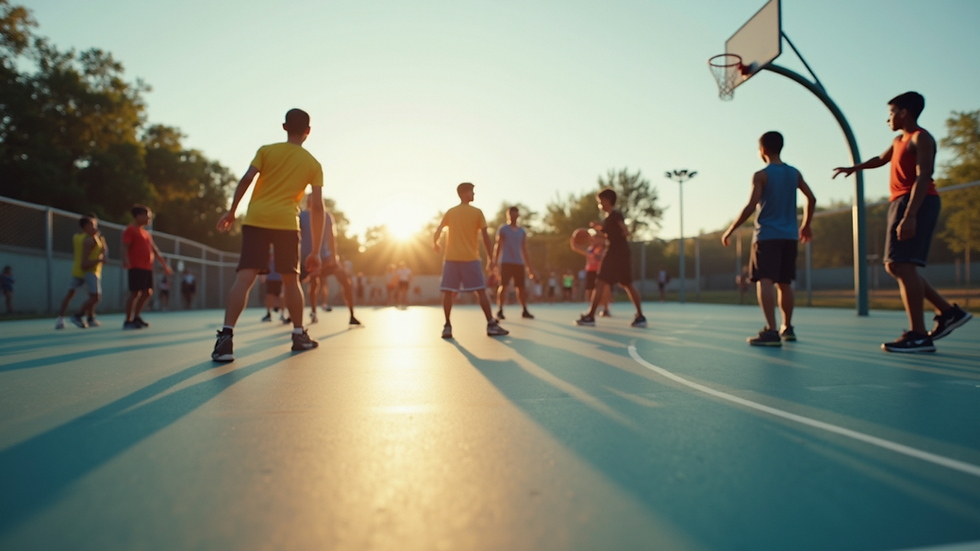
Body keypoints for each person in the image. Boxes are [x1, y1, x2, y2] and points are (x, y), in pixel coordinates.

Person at [833, 92, 972, 352]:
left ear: (904, 112)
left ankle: (919, 334)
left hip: (917, 201)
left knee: (902, 265)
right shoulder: (899, 140)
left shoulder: (921, 137)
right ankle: (947, 312)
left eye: (892, 112)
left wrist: (909, 215)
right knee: (897, 266)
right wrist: (855, 168)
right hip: (900, 201)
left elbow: (923, 176)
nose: (889, 119)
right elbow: (881, 159)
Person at [212, 108, 324, 362]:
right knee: (290, 280)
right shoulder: (313, 164)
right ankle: (298, 334)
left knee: (245, 278)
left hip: (256, 219)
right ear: (308, 131)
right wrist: (315, 251)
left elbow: (246, 179)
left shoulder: (266, 151)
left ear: (284, 127)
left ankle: (226, 339)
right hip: (286, 223)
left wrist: (231, 211)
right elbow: (317, 207)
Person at [722, 131, 816, 347]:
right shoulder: (794, 173)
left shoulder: (761, 175)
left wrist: (730, 230)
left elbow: (751, 205)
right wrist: (806, 225)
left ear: (762, 150)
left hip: (767, 236)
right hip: (789, 236)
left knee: (764, 281)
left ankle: (771, 331)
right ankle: (787, 327)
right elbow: (811, 198)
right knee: (784, 283)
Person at [433, 182, 509, 338]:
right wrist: (490, 258)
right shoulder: (477, 212)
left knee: (448, 291)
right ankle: (490, 324)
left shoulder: (451, 212)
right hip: (470, 259)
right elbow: (486, 238)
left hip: (452, 258)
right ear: (463, 193)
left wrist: (436, 243)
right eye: (471, 192)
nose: (473, 195)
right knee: (480, 290)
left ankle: (447, 326)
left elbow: (438, 230)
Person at [576, 188, 646, 327]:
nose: (599, 203)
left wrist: (623, 232)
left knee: (601, 282)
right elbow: (611, 234)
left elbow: (624, 230)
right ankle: (640, 316)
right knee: (626, 283)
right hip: (619, 252)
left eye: (600, 201)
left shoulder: (615, 214)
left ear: (607, 200)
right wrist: (600, 229)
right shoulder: (609, 218)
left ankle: (590, 316)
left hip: (616, 253)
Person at [300, 201, 360, 326]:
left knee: (345, 281)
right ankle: (313, 312)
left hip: (326, 257)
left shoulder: (326, 215)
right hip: (309, 258)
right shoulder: (302, 216)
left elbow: (332, 236)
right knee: (313, 283)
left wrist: (333, 256)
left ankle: (352, 314)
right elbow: (298, 236)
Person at [122, 205, 172, 330]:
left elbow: (155, 250)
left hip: (147, 268)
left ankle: (137, 317)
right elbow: (125, 247)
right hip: (136, 266)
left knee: (148, 292)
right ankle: (128, 320)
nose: (149, 218)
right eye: (147, 215)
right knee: (135, 293)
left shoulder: (146, 234)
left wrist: (164, 265)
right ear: (139, 216)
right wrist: (125, 260)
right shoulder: (130, 230)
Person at [55, 215, 107, 329]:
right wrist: (100, 258)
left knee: (72, 294)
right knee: (95, 297)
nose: (95, 228)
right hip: (89, 270)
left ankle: (62, 319)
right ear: (86, 226)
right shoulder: (90, 239)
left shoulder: (77, 237)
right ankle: (78, 315)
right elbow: (87, 260)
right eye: (92, 225)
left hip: (77, 270)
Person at [492, 206, 534, 320]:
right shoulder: (503, 229)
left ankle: (524, 309)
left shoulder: (522, 232)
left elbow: (524, 250)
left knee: (521, 288)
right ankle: (500, 310)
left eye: (516, 213)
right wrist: (494, 262)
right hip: (506, 262)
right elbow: (498, 246)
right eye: (511, 214)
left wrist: (529, 268)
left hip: (518, 263)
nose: (514, 216)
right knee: (503, 286)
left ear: (518, 215)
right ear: (508, 215)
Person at [572, 233, 611, 317]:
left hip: (600, 271)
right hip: (590, 271)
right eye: (595, 238)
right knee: (589, 290)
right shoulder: (590, 249)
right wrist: (573, 238)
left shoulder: (604, 249)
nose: (596, 240)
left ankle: (606, 308)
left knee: (604, 289)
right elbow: (575, 247)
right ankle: (592, 307)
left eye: (598, 238)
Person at [260, 253, 288, 323]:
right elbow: (265, 262)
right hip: (270, 278)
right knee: (270, 296)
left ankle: (282, 314)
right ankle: (268, 314)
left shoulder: (282, 252)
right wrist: (263, 275)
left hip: (280, 278)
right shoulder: (269, 252)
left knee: (280, 296)